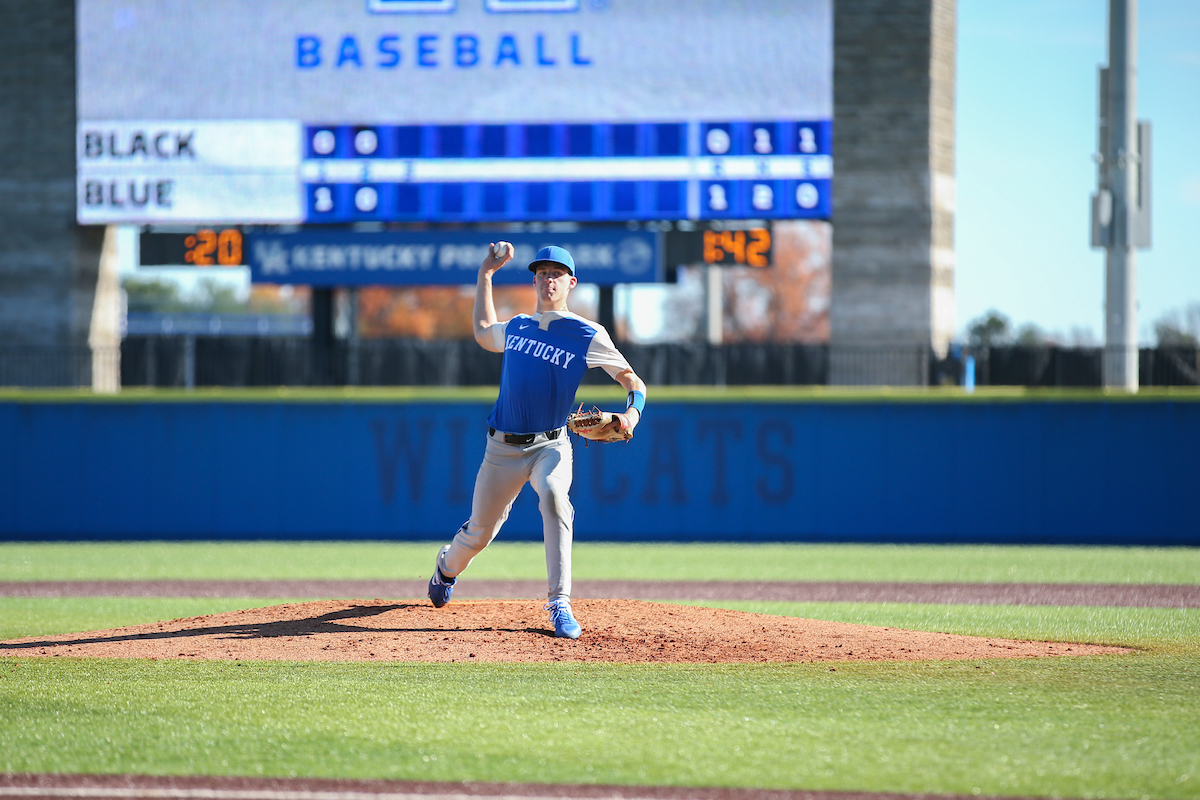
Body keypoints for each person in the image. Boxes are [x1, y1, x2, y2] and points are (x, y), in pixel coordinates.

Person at [427, 243, 647, 639]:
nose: (549, 279)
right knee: (479, 533)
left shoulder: (587, 333)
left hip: (551, 444)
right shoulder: (516, 327)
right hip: (502, 449)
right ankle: (446, 567)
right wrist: (486, 275)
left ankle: (559, 602)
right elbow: (480, 333)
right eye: (542, 272)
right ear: (534, 280)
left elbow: (633, 381)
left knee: (554, 498)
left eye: (557, 273)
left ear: (571, 282)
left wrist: (631, 414)